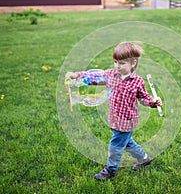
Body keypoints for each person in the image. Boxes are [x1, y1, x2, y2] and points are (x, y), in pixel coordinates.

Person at [65, 42, 162, 180]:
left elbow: (143, 97)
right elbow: (95, 77)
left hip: (127, 120)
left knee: (115, 145)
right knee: (127, 142)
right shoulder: (111, 75)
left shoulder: (137, 81)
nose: (117, 66)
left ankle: (110, 170)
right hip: (115, 118)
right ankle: (144, 158)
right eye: (115, 62)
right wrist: (76, 75)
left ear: (133, 63)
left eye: (121, 63)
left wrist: (153, 102)